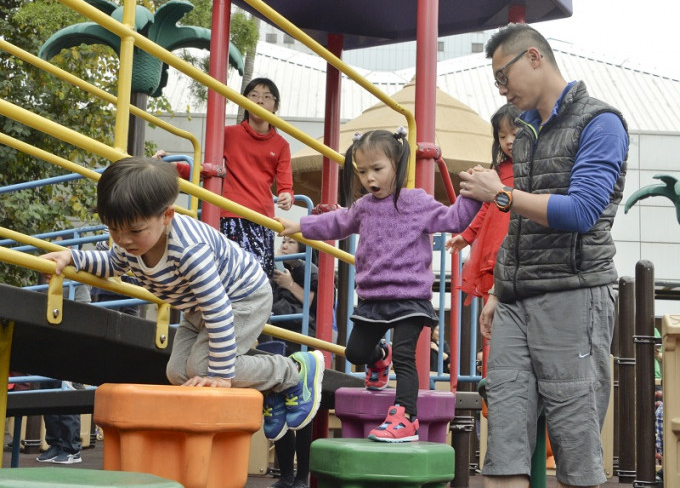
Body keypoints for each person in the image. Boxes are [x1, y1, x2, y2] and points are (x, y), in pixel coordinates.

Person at [39, 156, 324, 444]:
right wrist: (73, 257)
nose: (124, 240)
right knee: (177, 372)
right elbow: (113, 264)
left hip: (242, 297)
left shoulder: (188, 251)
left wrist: (222, 375)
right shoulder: (131, 241)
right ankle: (272, 386)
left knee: (205, 369)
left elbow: (218, 311)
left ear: (166, 215)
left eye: (134, 231)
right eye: (114, 230)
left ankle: (295, 371)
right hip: (198, 309)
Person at [459, 23, 629, 488]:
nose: (501, 89)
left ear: (534, 58)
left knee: (576, 455)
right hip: (517, 300)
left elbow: (581, 211)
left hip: (574, 295)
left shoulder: (600, 122)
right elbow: (519, 223)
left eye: (502, 76)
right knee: (504, 450)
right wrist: (498, 287)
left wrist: (501, 194)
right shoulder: (528, 131)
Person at [277, 128, 481, 442]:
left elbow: (453, 219)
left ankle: (405, 416)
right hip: (373, 298)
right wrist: (301, 225)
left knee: (405, 357)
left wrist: (471, 195)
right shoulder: (365, 206)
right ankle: (378, 355)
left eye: (377, 169)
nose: (369, 178)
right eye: (361, 172)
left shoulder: (415, 201)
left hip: (410, 297)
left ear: (397, 166)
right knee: (356, 352)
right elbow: (337, 221)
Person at [156, 77, 293, 277]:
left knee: (257, 277)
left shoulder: (281, 145)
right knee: (229, 273)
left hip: (261, 218)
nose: (259, 101)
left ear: (276, 106)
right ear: (244, 101)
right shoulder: (228, 134)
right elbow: (207, 170)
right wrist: (172, 163)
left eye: (267, 97)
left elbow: (285, 185)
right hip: (230, 214)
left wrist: (287, 196)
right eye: (253, 95)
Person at [446, 103, 520, 305]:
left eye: (514, 133)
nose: (509, 141)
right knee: (493, 300)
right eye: (502, 136)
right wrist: (467, 236)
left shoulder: (536, 169)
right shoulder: (499, 170)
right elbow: (487, 207)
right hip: (494, 244)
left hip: (519, 244)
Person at [267, 236, 319, 488]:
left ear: (302, 247)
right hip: (279, 339)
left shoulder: (307, 267)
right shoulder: (276, 266)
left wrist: (289, 283)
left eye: (290, 241)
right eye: (283, 241)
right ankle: (286, 475)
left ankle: (301, 476)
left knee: (301, 410)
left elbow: (312, 303)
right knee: (277, 410)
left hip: (300, 340)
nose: (284, 245)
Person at [37, 278, 90, 465]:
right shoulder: (50, 281)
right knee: (48, 390)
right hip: (52, 337)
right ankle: (55, 444)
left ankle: (71, 449)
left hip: (70, 339)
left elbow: (84, 312)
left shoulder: (77, 279)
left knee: (67, 390)